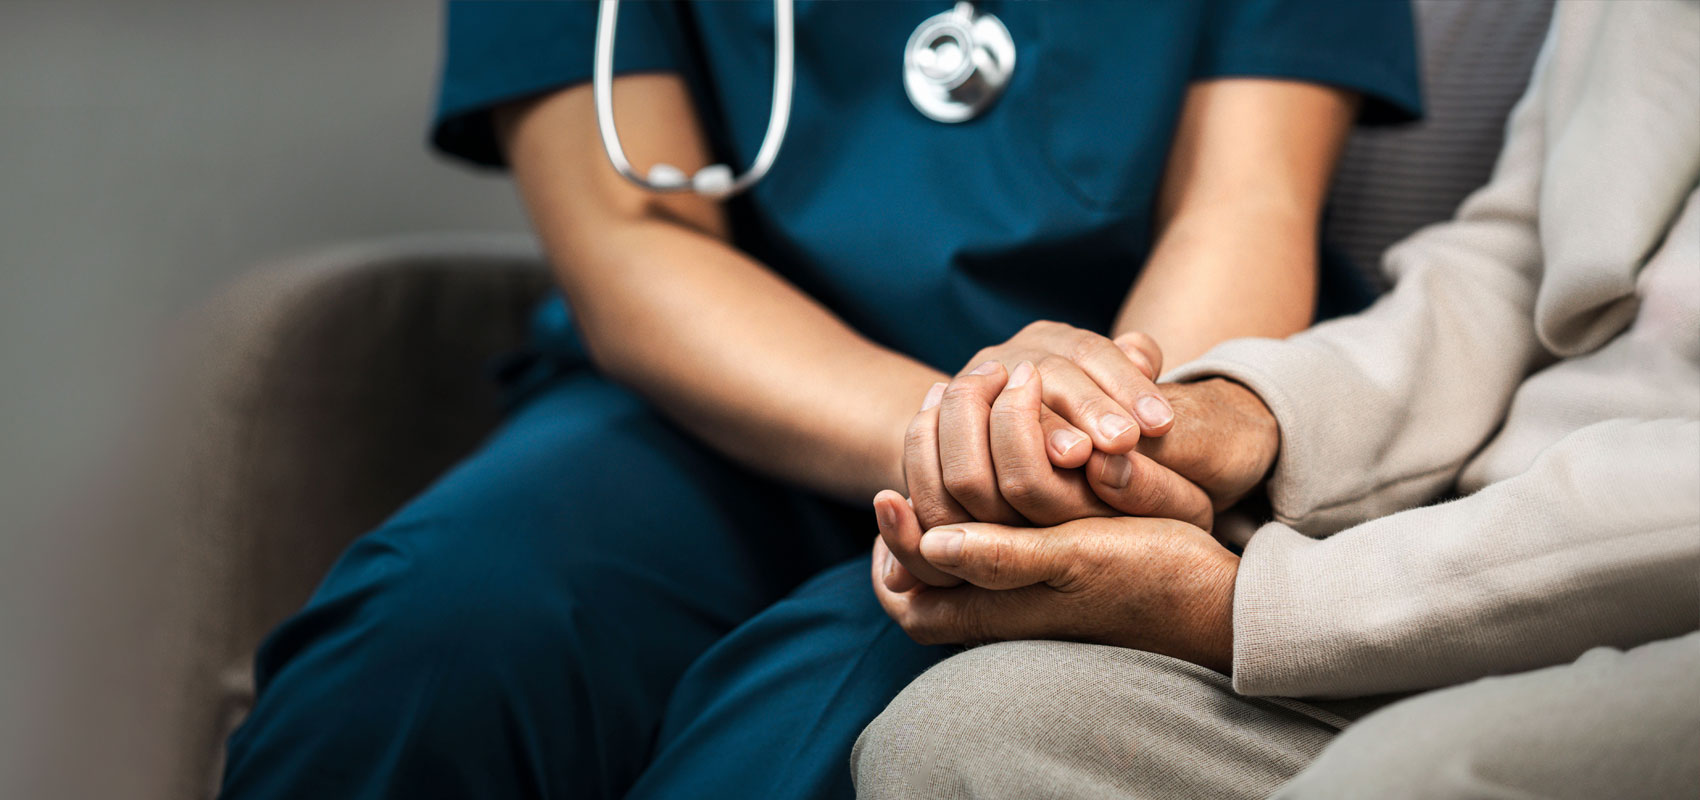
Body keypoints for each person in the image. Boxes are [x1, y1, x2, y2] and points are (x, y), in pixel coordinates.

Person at [217, 2, 1422, 798]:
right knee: (424, 650)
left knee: (799, 740)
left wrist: (1086, 439)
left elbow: (1247, 203)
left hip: (1108, 433)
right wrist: (966, 431)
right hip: (705, 407)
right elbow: (633, 245)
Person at [855, 1, 1700, 797]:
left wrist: (1250, 606)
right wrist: (1236, 419)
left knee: (1399, 775)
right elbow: (1519, 259)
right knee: (965, 732)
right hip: (1481, 529)